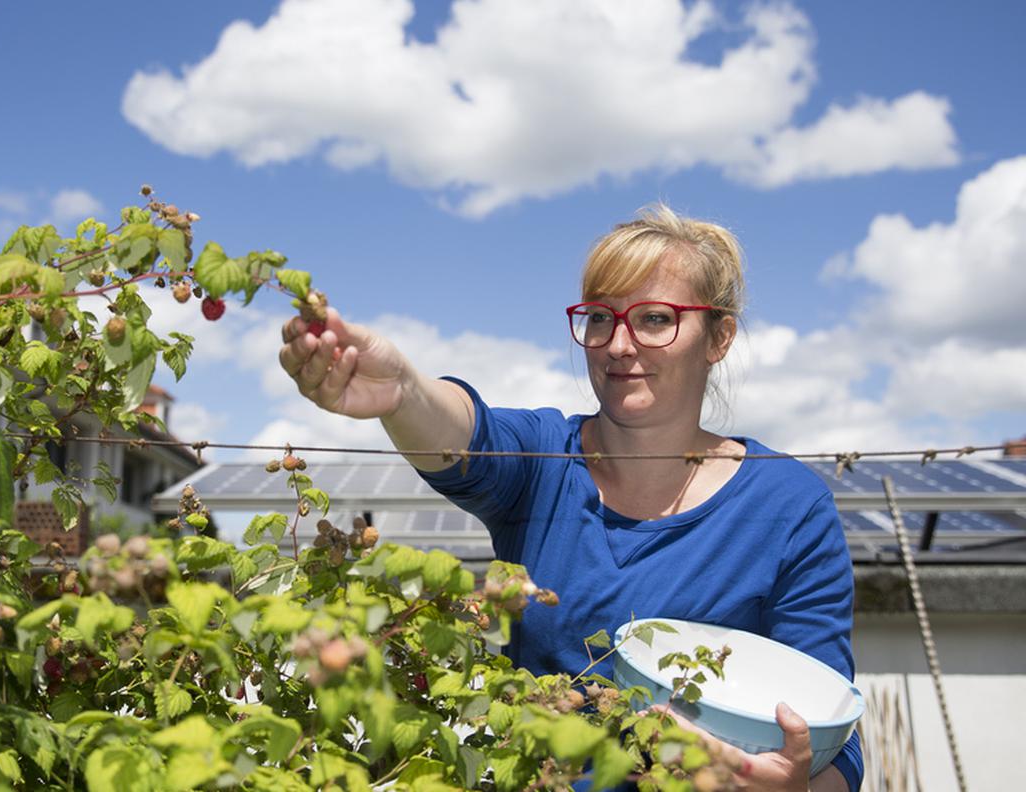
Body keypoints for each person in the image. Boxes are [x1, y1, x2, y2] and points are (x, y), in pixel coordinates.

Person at [278, 205, 861, 791]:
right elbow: (467, 436)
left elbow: (831, 736)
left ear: (720, 337)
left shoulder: (788, 507)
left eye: (656, 319)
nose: (619, 345)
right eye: (601, 318)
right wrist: (402, 390)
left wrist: (794, 788)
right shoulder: (546, 462)